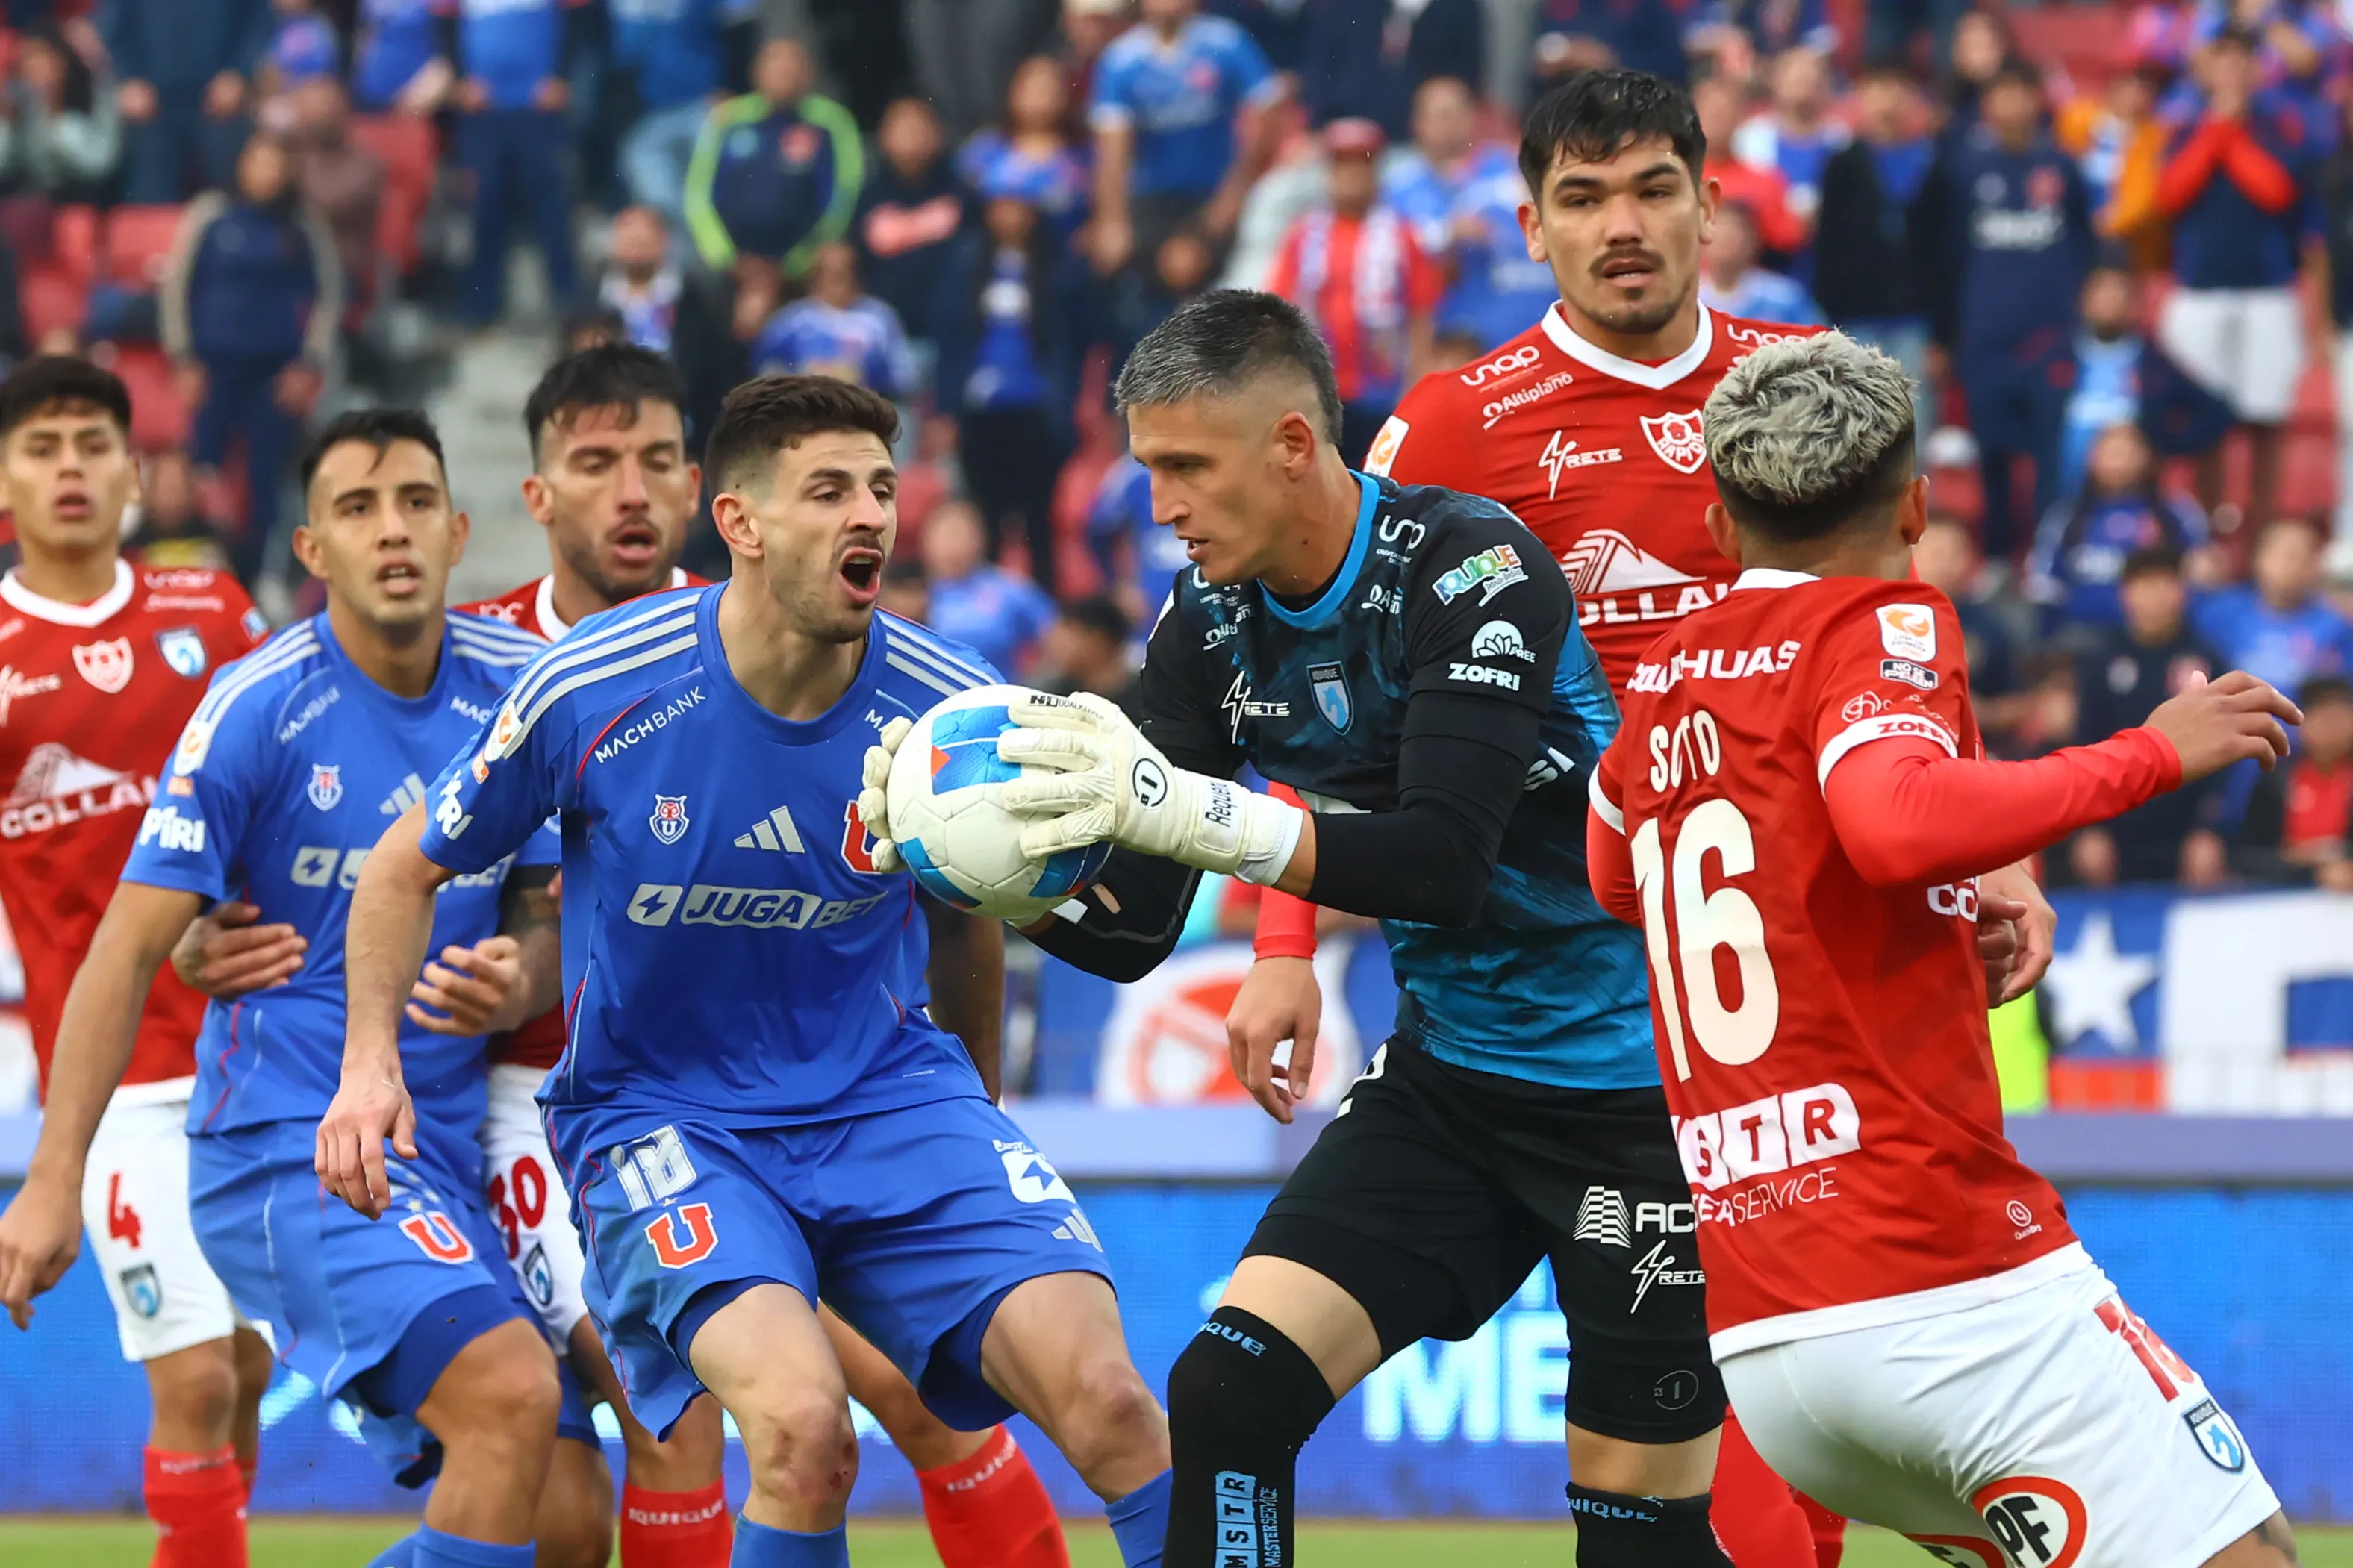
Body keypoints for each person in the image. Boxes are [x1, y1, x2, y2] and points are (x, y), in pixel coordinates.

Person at [1319, 69, 2059, 1565]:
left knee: (1877, 1399)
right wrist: (1286, 943)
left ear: (1709, 203)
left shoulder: (1812, 385)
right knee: (1737, 1425)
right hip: (1605, 987)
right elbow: (1345, 695)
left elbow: (1904, 636)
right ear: (1529, 227)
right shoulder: (1454, 426)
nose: (1623, 226)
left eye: (1654, 188)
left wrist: (2004, 857)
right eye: (1582, 199)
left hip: (1840, 971)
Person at [901, 286, 1733, 1568]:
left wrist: (1191, 812)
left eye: (1186, 467)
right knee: (1228, 1391)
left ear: (1293, 443)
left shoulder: (1473, 568)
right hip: (1455, 1087)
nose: (1159, 506)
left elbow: (1443, 861)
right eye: (1147, 469)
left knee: (1638, 1543)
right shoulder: (1208, 620)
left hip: (1643, 1097)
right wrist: (972, 871)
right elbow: (1135, 928)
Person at [331, 374, 1176, 1568]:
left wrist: (975, 1108)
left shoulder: (951, 713)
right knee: (802, 1428)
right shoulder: (595, 685)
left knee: (1115, 1404)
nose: (868, 515)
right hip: (665, 1118)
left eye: (879, 488)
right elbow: (401, 867)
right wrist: (369, 1067)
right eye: (827, 490)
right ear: (739, 522)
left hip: (890, 1099)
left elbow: (965, 923)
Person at [1586, 327, 2300, 1568]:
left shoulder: (1662, 677)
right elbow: (1890, 820)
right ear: (1915, 508)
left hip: (1769, 1339)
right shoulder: (1883, 620)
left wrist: (1904, 915)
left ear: (1716, 524)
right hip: (1943, 1292)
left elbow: (1615, 874)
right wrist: (2150, 752)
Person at [0, 407, 585, 1568]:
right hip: (285, 1149)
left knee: (566, 1524)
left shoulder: (520, 696)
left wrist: (525, 972)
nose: (393, 530)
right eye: (358, 509)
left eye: (415, 502)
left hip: (445, 1152)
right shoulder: (258, 704)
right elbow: (127, 949)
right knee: (508, 1395)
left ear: (458, 530)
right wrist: (51, 1182)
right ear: (312, 549)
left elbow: (547, 913)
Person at [0, 357, 269, 1568]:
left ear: (132, 470)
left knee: (246, 1370)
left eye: (91, 443)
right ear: (5, 481)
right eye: (42, 444)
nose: (70, 466)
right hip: (112, 1084)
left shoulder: (210, 614)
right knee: (198, 1377)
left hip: (253, 1064)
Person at [1925, 56, 2096, 562]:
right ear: (1987, 103)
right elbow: (1946, 257)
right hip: (1984, 339)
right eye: (2002, 93)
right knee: (1992, 455)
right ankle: (1998, 559)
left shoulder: (2062, 168)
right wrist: (1946, 335)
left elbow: (2084, 247)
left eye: (2022, 92)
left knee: (2049, 456)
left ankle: (2047, 560)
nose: (2013, 104)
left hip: (2049, 338)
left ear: (2038, 100)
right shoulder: (1964, 169)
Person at [160, 129, 340, 585]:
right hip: (212, 368)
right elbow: (177, 286)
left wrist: (309, 364)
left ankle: (260, 579)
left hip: (275, 374)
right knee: (203, 475)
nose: (267, 172)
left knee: (266, 483)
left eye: (276, 163)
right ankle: (197, 573)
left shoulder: (302, 223)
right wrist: (183, 357)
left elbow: (328, 294)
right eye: (258, 161)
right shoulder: (210, 214)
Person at [2157, 28, 2318, 528]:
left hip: (2267, 292)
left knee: (2266, 418)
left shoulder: (2280, 128)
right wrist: (2216, 133)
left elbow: (2276, 191)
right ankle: (2206, 531)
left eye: (2240, 62)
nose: (2230, 72)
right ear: (2205, 70)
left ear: (2256, 70)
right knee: (2205, 420)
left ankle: (2262, 531)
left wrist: (2226, 138)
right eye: (2220, 62)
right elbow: (2170, 193)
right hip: (2200, 290)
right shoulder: (2181, 130)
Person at [1267, 117, 1442, 466]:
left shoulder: (1401, 235)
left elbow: (1422, 316)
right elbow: (1281, 312)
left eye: (1361, 165)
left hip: (1382, 391)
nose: (1351, 176)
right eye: (1341, 165)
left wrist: (1414, 390)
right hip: (1320, 390)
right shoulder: (1304, 236)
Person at [935, 194, 1079, 592]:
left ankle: (1045, 602)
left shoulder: (1056, 265)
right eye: (1002, 206)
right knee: (988, 516)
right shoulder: (967, 261)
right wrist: (946, 408)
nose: (1011, 217)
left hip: (1036, 408)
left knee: (1038, 518)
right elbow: (949, 337)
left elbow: (1072, 338)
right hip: (981, 409)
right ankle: (984, 606)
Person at [2065, 546, 2231, 887]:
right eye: (2144, 586)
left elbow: (2225, 751)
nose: (2154, 598)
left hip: (2186, 829)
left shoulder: (2207, 659)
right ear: (2125, 595)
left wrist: (2209, 830)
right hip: (2117, 828)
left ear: (2182, 592)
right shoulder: (2101, 661)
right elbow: (2085, 746)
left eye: (2164, 585)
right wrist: (2089, 828)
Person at [1087, 0, 1285, 279]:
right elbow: (1112, 149)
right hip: (1150, 199)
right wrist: (1112, 220)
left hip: (1213, 193)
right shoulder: (1122, 58)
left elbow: (1266, 113)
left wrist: (1232, 197)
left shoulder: (1226, 42)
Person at [1381, 76, 1556, 354]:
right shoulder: (1397, 187)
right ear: (1418, 123)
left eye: (1456, 113)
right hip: (1439, 334)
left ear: (1472, 118)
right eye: (1440, 115)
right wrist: (1447, 234)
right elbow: (1386, 250)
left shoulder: (1510, 170)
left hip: (1509, 322)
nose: (1448, 124)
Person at [685, 37, 864, 279]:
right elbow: (698, 194)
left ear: (809, 73)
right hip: (732, 268)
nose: (783, 70)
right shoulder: (727, 119)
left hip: (806, 269)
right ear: (755, 71)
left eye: (793, 62)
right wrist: (726, 259)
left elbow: (843, 196)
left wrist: (798, 262)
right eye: (774, 61)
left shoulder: (832, 122)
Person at [450, 0, 583, 327]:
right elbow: (443, 24)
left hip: (537, 106)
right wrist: (461, 79)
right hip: (483, 109)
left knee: (551, 205)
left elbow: (582, 20)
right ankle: (482, 307)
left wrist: (563, 76)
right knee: (485, 204)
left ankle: (570, 304)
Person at [1813, 60, 1936, 407]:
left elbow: (1945, 253)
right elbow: (1828, 247)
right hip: (1855, 320)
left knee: (1913, 421)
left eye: (1897, 88)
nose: (1887, 99)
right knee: (1857, 422)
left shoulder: (1933, 162)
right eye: (1878, 88)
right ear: (1861, 97)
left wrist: (1943, 333)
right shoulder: (1842, 164)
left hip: (1914, 322)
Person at [2028, 422, 2213, 640]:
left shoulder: (2177, 513)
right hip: (2081, 636)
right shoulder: (2065, 517)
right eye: (2111, 453)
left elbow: (2203, 573)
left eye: (2127, 452)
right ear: (2092, 458)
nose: (2119, 463)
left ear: (2146, 456)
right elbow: (2044, 584)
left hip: (2162, 636)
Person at [610, 0, 759, 234]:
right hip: (648, 115)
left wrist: (735, 90)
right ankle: (691, 255)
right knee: (659, 199)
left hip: (705, 105)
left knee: (717, 191)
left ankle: (721, 253)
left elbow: (741, 31)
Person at [101, 0, 267, 202]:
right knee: (150, 195)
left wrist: (239, 73)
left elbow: (259, 20)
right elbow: (112, 26)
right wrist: (128, 77)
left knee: (228, 197)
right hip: (150, 103)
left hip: (221, 100)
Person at [2193, 516, 2353, 695]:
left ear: (2315, 566)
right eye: (2282, 555)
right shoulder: (2220, 614)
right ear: (2258, 559)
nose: (2289, 567)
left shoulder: (2336, 628)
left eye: (2300, 557)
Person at [748, 241, 917, 402]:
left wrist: (864, 376)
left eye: (844, 273)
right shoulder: (792, 320)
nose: (837, 282)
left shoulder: (879, 318)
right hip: (804, 408)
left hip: (865, 407)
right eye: (829, 274)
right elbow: (765, 368)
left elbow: (905, 375)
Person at [2234, 673, 2353, 889]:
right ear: (2301, 723)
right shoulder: (2275, 780)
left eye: (2342, 716)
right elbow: (2245, 858)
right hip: (2284, 899)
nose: (2334, 727)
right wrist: (2306, 862)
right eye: (2325, 717)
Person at [920, 496, 1058, 675]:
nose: (953, 545)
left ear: (980, 539)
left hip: (998, 688)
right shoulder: (912, 593)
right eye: (945, 535)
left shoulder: (1011, 588)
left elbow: (1058, 639)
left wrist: (1037, 682)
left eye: (961, 534)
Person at [959, 55, 1091, 239]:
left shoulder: (1083, 155)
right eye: (1032, 89)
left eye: (1050, 90)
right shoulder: (983, 150)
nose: (1042, 100)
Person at [0, 22, 125, 202]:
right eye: (26, 60)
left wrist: (59, 130)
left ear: (61, 62)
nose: (33, 67)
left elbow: (101, 162)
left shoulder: (90, 99)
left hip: (87, 199)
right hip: (25, 203)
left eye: (40, 56)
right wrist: (7, 125)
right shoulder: (17, 108)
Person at [1698, 199, 1823, 325]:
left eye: (1736, 229)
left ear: (1754, 241)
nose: (1727, 236)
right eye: (1719, 227)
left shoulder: (1783, 297)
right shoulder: (1690, 301)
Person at [1034, 593, 1141, 713]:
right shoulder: (1056, 697)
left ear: (1098, 640)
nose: (1053, 644)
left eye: (1067, 634)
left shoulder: (1146, 700)